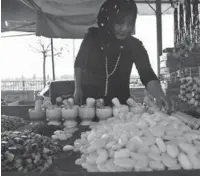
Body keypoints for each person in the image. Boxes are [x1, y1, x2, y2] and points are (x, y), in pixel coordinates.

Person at [74, 0, 173, 112]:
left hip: (120, 107)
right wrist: (77, 88)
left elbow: (147, 74)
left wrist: (159, 95)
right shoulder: (92, 38)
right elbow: (79, 63)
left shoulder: (135, 45)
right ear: (109, 20)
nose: (125, 29)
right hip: (90, 104)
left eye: (129, 24)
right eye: (120, 23)